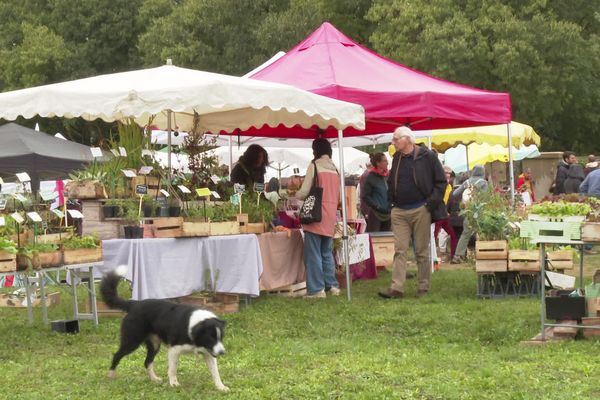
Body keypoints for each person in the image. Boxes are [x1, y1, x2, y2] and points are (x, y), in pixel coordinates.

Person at [378, 126, 447, 299]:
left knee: (421, 251)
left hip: (420, 209)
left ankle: (423, 287)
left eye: (396, 139)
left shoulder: (427, 156)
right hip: (399, 210)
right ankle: (397, 288)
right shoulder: (397, 157)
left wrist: (429, 205)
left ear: (407, 139)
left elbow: (441, 182)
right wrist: (390, 203)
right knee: (400, 250)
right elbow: (392, 180)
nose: (393, 142)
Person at [296, 138, 341, 298]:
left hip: (315, 214)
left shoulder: (314, 166)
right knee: (326, 253)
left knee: (313, 253)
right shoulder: (336, 168)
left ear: (315, 150)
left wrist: (293, 194)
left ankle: (316, 290)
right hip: (330, 215)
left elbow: (304, 191)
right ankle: (332, 286)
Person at [451, 165, 488, 264]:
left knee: (465, 233)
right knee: (481, 233)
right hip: (480, 211)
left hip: (467, 211)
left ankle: (457, 256)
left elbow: (455, 194)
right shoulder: (483, 183)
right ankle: (483, 254)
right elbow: (486, 198)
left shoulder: (466, 182)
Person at [362, 153, 391, 232]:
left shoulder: (388, 176)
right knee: (375, 240)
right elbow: (365, 196)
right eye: (384, 161)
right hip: (375, 214)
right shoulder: (370, 177)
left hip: (388, 214)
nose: (387, 163)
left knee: (388, 240)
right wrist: (376, 206)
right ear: (378, 163)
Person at [434, 166, 458, 260]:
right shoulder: (438, 185)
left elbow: (448, 200)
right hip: (437, 214)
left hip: (445, 214)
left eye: (449, 173)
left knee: (453, 235)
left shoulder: (449, 186)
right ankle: (432, 257)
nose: (448, 175)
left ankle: (453, 256)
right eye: (446, 173)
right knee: (433, 236)